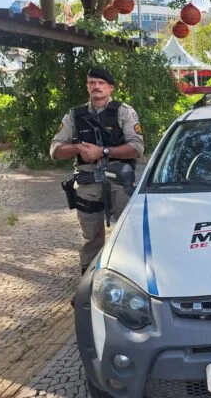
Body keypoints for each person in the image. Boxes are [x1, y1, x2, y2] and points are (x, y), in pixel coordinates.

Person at [50, 68, 144, 274]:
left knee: (127, 233)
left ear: (110, 87)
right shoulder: (74, 116)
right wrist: (77, 148)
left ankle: (128, 277)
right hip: (88, 184)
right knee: (91, 238)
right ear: (87, 87)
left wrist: (102, 151)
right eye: (92, 82)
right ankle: (89, 281)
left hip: (119, 183)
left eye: (101, 83)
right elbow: (55, 150)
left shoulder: (124, 112)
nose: (96, 87)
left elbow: (137, 147)